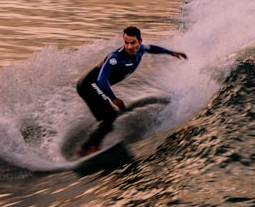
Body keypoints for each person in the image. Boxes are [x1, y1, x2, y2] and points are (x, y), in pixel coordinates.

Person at [75, 26, 187, 156]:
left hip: (89, 86)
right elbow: (101, 80)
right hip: (89, 85)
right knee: (111, 116)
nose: (129, 47)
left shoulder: (141, 49)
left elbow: (152, 48)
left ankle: (85, 148)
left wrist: (171, 52)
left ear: (140, 41)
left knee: (107, 121)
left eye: (132, 42)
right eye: (126, 43)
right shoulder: (116, 58)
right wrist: (114, 99)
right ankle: (93, 148)